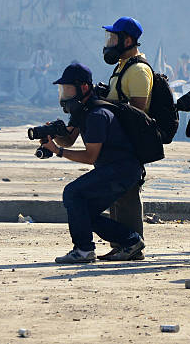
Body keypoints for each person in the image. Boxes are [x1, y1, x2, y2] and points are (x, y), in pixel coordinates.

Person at [41, 63, 145, 263]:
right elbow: (69, 139)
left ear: (84, 88)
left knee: (72, 193)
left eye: (68, 88)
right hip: (115, 169)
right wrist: (53, 135)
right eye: (62, 89)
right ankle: (131, 241)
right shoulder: (81, 111)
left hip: (122, 170)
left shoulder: (97, 115)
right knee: (83, 212)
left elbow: (90, 157)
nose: (64, 94)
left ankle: (84, 250)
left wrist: (58, 151)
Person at [100, 17, 153, 261]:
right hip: (115, 146)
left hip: (128, 147)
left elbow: (138, 112)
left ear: (128, 40)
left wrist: (106, 104)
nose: (109, 43)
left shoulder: (138, 70)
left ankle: (133, 246)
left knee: (128, 198)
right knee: (117, 198)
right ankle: (121, 244)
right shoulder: (122, 67)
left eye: (113, 38)